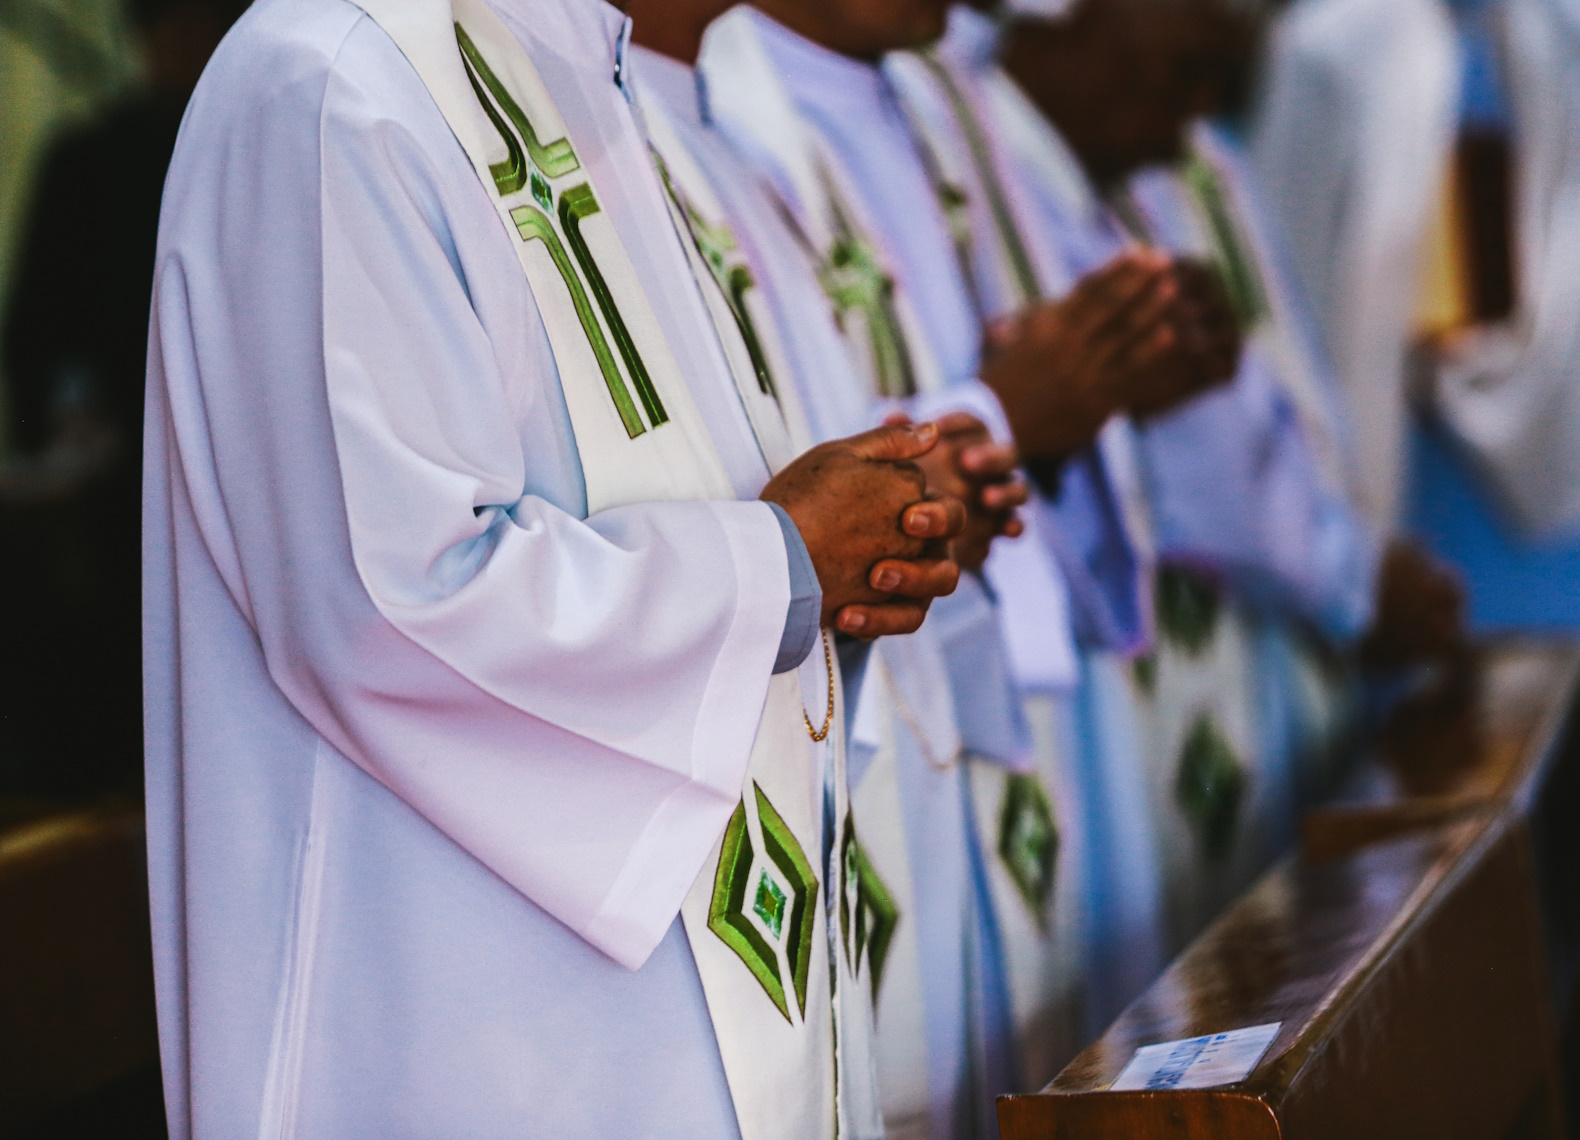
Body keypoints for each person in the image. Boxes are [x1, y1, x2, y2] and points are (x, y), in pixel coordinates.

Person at [143, 0, 970, 1134]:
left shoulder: (603, 86)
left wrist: (859, 551)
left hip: (690, 993)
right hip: (479, 1036)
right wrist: (782, 562)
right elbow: (386, 604)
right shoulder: (332, 79)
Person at [0, 0, 235, 797]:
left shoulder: (262, 134)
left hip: (234, 482)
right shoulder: (94, 157)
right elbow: (42, 330)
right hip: (121, 485)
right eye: (174, 27)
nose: (185, 46)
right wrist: (71, 415)